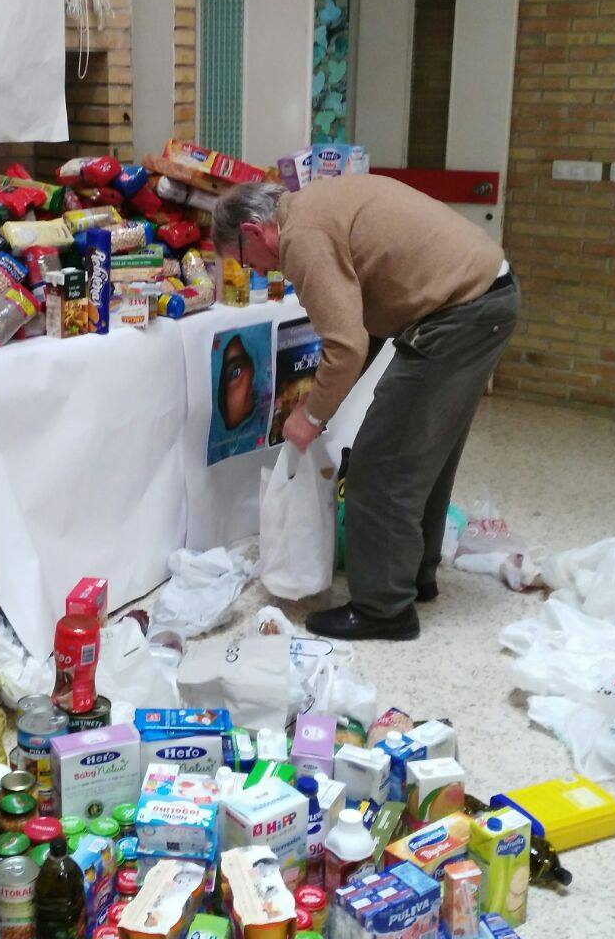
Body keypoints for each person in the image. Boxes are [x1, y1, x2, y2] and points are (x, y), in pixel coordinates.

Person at [212, 174, 519, 641]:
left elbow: (346, 345)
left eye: (243, 259)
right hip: (486, 298)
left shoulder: (301, 237)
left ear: (253, 231)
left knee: (381, 464)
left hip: (459, 312)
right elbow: (364, 330)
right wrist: (324, 405)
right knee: (423, 455)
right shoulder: (313, 208)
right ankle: (414, 577)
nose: (253, 270)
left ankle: (384, 609)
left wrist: (311, 416)